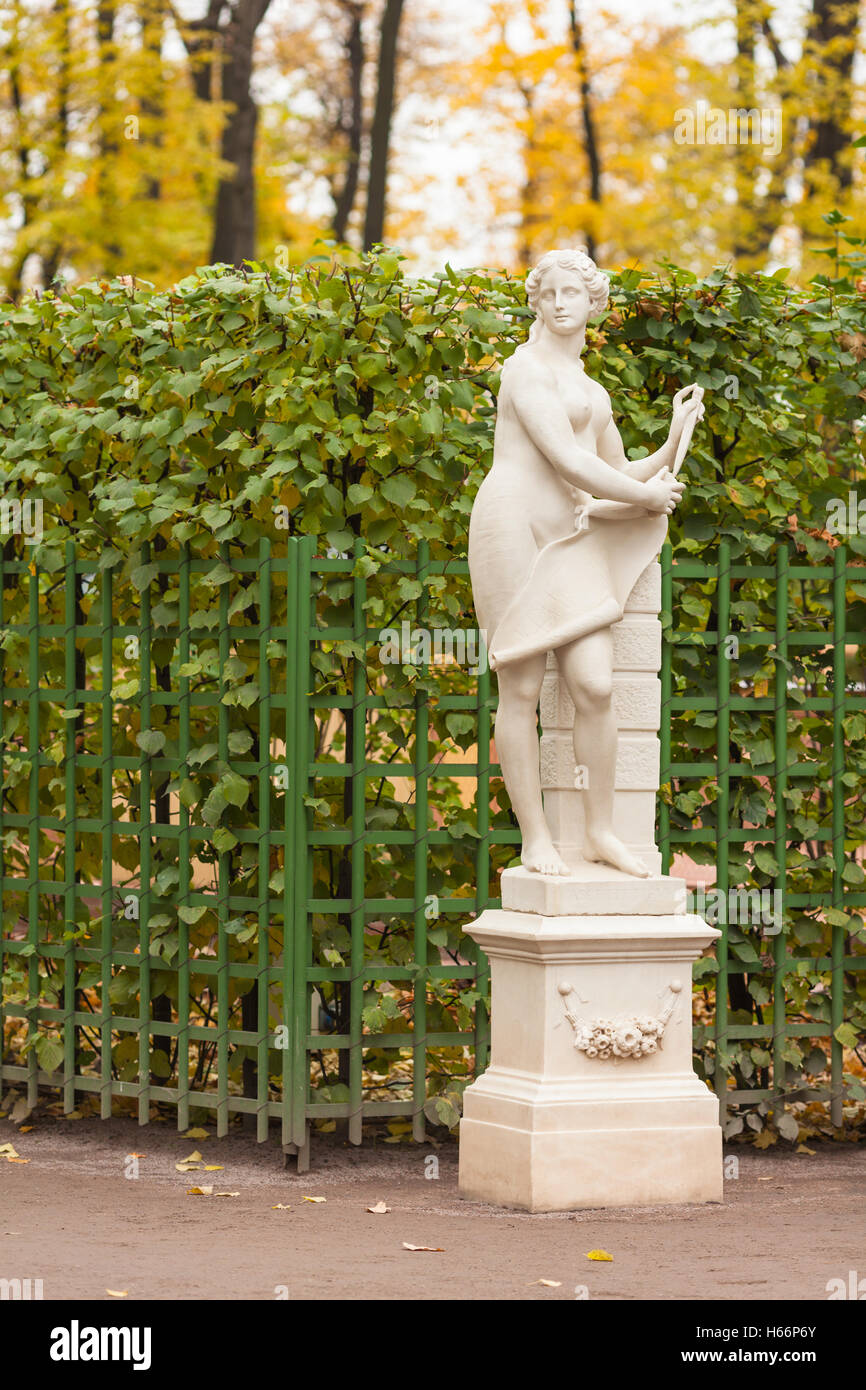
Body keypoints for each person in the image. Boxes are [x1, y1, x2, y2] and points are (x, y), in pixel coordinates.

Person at [468, 247, 703, 877]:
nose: (560, 303)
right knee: (520, 687)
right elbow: (569, 462)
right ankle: (536, 838)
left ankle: (599, 832)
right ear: (537, 302)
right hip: (513, 524)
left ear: (594, 302)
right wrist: (644, 498)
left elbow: (617, 470)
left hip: (570, 532)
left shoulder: (593, 392)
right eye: (549, 293)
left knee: (595, 685)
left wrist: (672, 440)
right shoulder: (524, 370)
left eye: (572, 292)